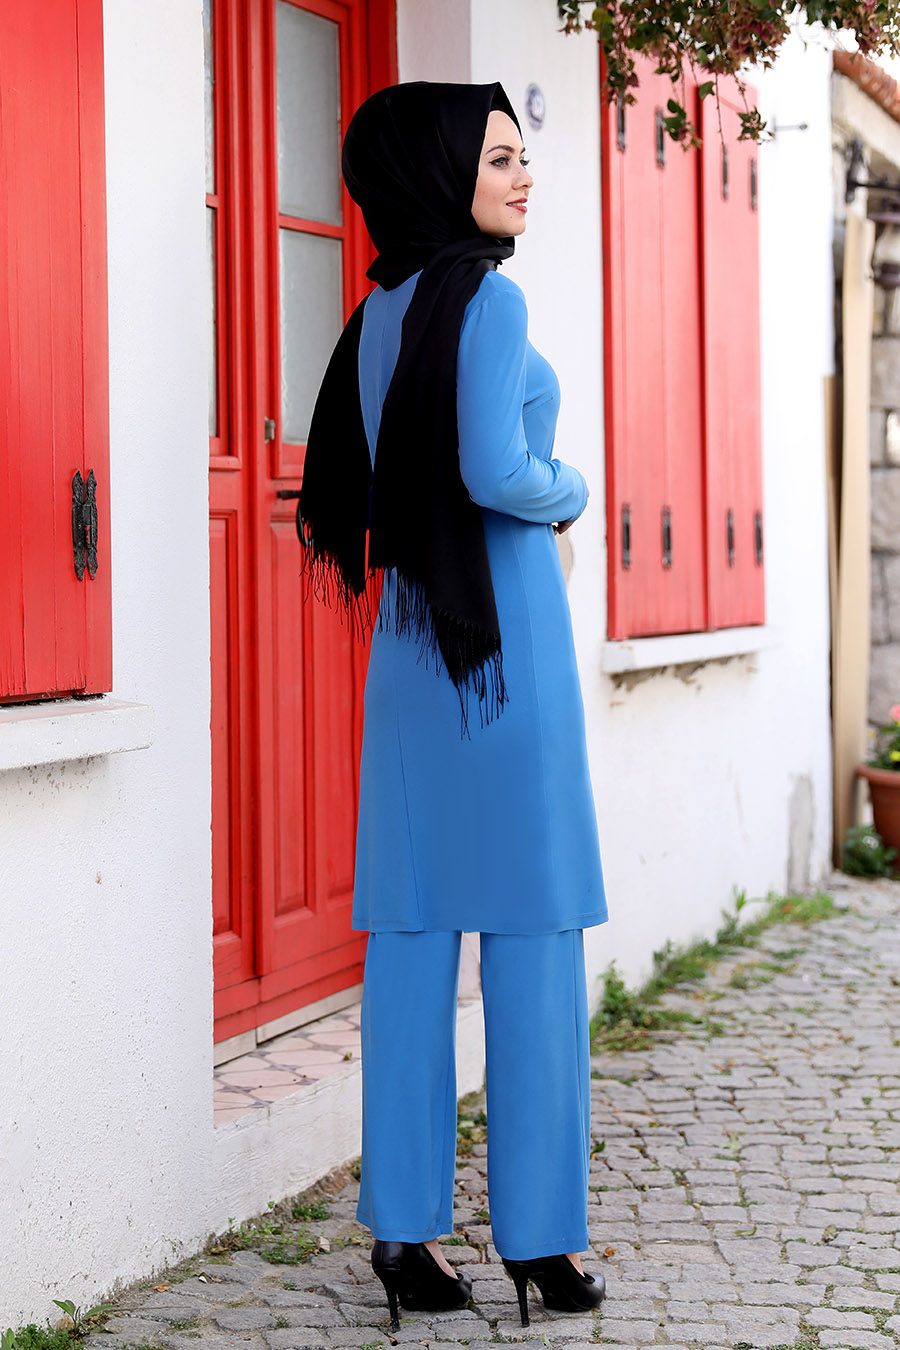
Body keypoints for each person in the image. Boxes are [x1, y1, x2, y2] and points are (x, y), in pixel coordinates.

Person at [297, 79, 609, 1334]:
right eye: (499, 157)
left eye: (524, 154)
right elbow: (496, 468)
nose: (523, 176)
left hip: (416, 654)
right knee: (533, 943)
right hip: (504, 653)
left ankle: (406, 1242)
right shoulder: (490, 297)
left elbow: (381, 474)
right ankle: (540, 1245)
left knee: (414, 945)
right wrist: (571, 486)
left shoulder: (376, 309)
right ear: (439, 172)